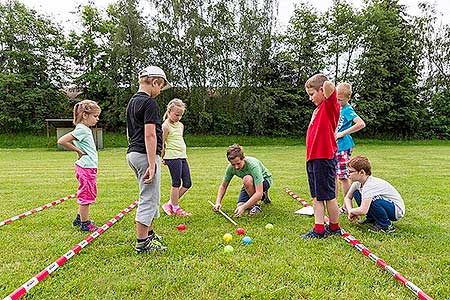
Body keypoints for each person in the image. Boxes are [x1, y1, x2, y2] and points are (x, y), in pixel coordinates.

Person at [126, 66, 172, 253]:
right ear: (154, 82)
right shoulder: (149, 103)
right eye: (160, 87)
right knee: (148, 197)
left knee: (153, 196)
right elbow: (150, 135)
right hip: (145, 155)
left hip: (134, 153)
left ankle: (150, 233)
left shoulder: (132, 102)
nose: (160, 92)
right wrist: (152, 163)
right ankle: (142, 244)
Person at [301, 73, 341, 239]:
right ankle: (323, 228)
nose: (310, 98)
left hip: (323, 159)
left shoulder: (330, 106)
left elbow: (331, 88)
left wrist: (324, 87)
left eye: (312, 94)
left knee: (328, 196)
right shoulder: (317, 110)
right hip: (313, 160)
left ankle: (330, 228)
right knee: (317, 196)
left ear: (322, 92)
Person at [57, 100, 101, 232]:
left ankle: (79, 217)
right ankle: (85, 224)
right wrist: (78, 150)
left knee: (87, 193)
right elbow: (62, 140)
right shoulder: (82, 129)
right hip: (86, 167)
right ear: (85, 115)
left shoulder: (84, 129)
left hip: (88, 167)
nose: (97, 119)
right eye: (95, 116)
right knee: (86, 195)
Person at [344, 155, 405, 233]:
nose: (348, 174)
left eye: (350, 172)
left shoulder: (370, 185)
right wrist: (350, 211)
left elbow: (363, 210)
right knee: (356, 193)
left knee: (374, 200)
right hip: (385, 204)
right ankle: (372, 218)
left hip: (396, 210)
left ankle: (386, 225)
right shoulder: (357, 183)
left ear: (362, 172)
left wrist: (353, 212)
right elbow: (348, 197)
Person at [213, 144, 272, 218]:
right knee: (239, 205)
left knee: (247, 179)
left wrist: (244, 207)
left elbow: (258, 193)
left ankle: (256, 205)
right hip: (249, 183)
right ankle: (264, 196)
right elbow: (223, 186)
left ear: (243, 158)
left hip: (264, 180)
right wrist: (218, 203)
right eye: (233, 164)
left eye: (238, 163)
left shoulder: (253, 166)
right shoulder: (230, 168)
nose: (236, 167)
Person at [334, 82, 366, 213]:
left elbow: (361, 124)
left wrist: (343, 133)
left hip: (343, 147)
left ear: (348, 98)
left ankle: (345, 206)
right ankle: (334, 205)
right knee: (334, 176)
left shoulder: (348, 110)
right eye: (336, 98)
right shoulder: (338, 108)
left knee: (343, 177)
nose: (337, 101)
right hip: (334, 147)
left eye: (340, 99)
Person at [161, 98, 192, 217]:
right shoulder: (165, 126)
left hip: (182, 156)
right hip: (172, 157)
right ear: (169, 112)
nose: (178, 117)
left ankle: (169, 203)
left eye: (181, 115)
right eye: (176, 114)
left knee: (187, 183)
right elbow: (162, 143)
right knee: (176, 183)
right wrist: (163, 157)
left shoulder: (181, 125)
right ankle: (175, 207)